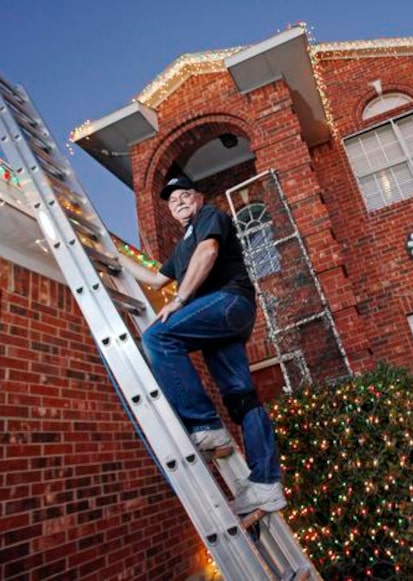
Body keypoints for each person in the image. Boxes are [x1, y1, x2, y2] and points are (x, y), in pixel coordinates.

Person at [118, 175, 285, 515]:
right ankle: (267, 483)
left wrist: (179, 300)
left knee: (158, 336)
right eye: (172, 199)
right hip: (220, 323)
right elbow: (154, 278)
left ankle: (205, 425)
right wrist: (114, 256)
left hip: (229, 303)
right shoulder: (181, 249)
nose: (178, 201)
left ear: (197, 198)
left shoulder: (210, 217)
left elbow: (209, 251)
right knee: (241, 397)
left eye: (184, 195)